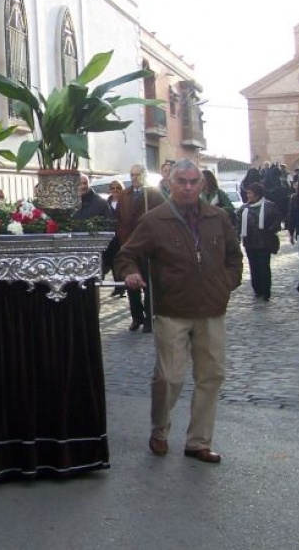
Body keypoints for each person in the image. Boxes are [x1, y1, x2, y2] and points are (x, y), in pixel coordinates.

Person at [114, 160, 243, 464]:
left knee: (211, 375)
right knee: (169, 377)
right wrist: (130, 273)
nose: (188, 187)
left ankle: (198, 441)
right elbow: (126, 255)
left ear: (202, 184)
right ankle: (160, 429)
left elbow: (234, 258)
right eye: (181, 181)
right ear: (170, 184)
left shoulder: (218, 217)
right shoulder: (155, 219)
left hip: (212, 309)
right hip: (172, 309)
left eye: (193, 181)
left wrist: (226, 283)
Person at [115, 164, 167, 332]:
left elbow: (164, 214)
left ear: (144, 175)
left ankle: (149, 317)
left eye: (137, 175)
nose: (134, 178)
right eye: (132, 175)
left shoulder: (153, 194)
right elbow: (118, 218)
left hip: (148, 246)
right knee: (131, 283)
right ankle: (136, 317)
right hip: (130, 245)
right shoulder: (124, 195)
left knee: (148, 284)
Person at [238, 182, 283, 301]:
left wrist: (271, 229)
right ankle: (257, 290)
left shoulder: (269, 206)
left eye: (250, 193)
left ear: (257, 194)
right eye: (247, 193)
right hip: (250, 242)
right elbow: (238, 224)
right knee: (254, 267)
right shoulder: (243, 209)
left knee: (264, 267)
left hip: (264, 242)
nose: (248, 196)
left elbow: (277, 220)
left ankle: (266, 291)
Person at [104, 180, 126, 298]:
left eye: (118, 188)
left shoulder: (125, 202)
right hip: (110, 237)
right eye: (113, 188)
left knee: (121, 262)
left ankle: (121, 287)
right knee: (112, 263)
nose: (115, 190)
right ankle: (118, 287)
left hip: (122, 237)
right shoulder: (106, 203)